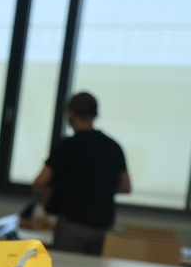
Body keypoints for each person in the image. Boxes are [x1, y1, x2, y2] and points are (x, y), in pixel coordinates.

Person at [33, 92, 131, 255]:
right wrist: (100, 188)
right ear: (94, 114)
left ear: (70, 113)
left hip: (72, 222)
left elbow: (40, 181)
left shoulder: (67, 146)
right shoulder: (113, 147)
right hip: (103, 224)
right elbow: (126, 186)